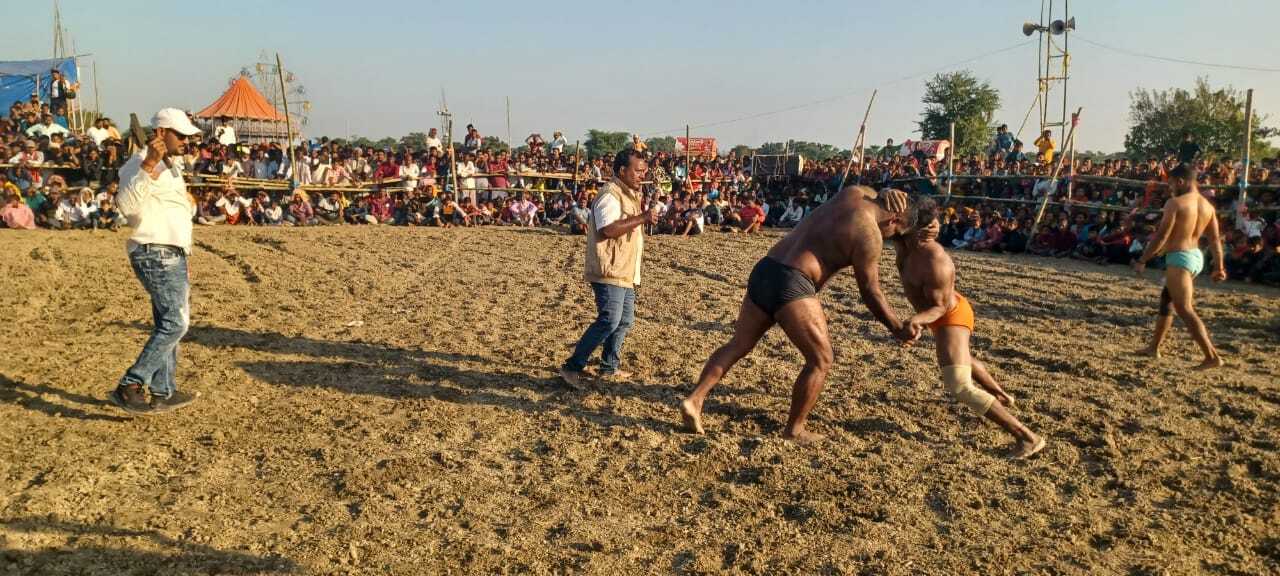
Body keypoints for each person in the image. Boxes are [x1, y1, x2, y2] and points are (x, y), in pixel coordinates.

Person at [680, 186, 917, 444]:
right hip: (794, 282)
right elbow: (871, 292)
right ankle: (794, 429)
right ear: (894, 220)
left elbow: (868, 193)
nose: (891, 238)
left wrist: (886, 189)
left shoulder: (852, 192)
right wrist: (897, 328)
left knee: (738, 344)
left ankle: (695, 399)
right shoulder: (870, 235)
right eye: (895, 234)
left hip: (766, 268)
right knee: (821, 360)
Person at [893, 198, 1044, 458]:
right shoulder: (904, 240)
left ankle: (1027, 437)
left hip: (949, 314)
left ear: (918, 227)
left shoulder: (936, 260)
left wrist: (916, 320)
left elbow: (940, 307)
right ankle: (999, 393)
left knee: (959, 384)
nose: (895, 222)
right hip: (936, 312)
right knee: (961, 358)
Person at [110, 108, 203, 414]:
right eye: (182, 135)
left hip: (169, 251)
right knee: (176, 323)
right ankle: (131, 384)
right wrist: (149, 164)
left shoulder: (171, 167)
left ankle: (163, 390)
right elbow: (126, 206)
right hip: (156, 251)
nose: (187, 141)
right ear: (162, 133)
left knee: (168, 322)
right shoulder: (139, 163)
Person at [560, 149, 659, 387]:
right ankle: (572, 367)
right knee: (609, 320)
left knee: (624, 320)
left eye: (644, 171)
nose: (642, 175)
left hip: (624, 270)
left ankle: (609, 366)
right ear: (622, 171)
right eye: (637, 171)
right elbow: (608, 230)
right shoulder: (610, 195)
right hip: (609, 269)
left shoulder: (628, 194)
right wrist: (643, 218)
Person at [1133, 164, 1226, 369]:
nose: (1170, 189)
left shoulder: (1175, 203)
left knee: (1184, 308)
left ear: (1181, 181)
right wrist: (1219, 266)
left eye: (1171, 184)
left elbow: (1161, 235)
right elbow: (1214, 240)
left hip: (1180, 258)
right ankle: (1154, 347)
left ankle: (1212, 356)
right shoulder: (1208, 207)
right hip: (1195, 257)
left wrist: (1142, 260)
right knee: (1167, 300)